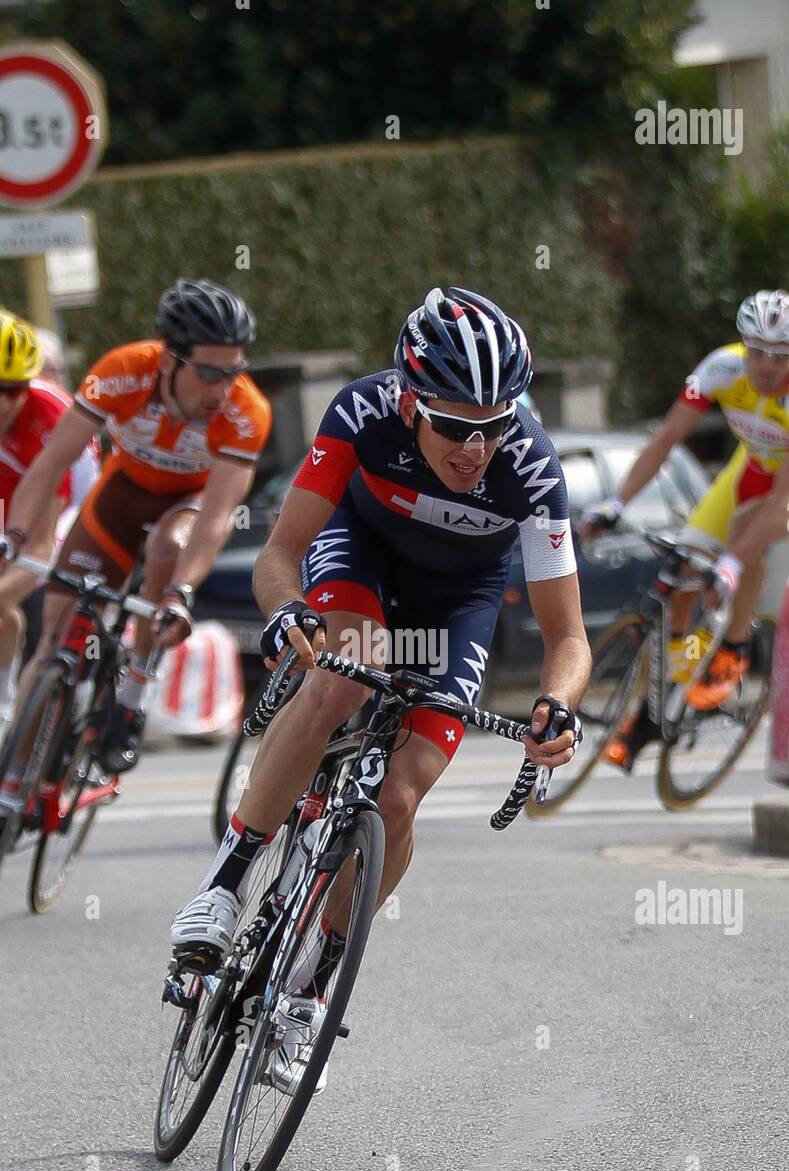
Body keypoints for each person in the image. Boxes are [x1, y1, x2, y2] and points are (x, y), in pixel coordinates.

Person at [168, 285, 591, 1096]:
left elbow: (567, 637)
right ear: (408, 403)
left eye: (495, 425)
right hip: (357, 557)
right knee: (339, 680)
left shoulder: (533, 470)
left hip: (455, 604)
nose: (477, 448)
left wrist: (558, 706)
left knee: (397, 798)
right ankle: (225, 885)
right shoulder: (360, 413)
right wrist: (286, 613)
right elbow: (279, 553)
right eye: (456, 427)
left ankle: (308, 991)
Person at [0, 278, 272, 782]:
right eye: (210, 373)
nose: (222, 389)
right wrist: (14, 536)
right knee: (57, 633)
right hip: (121, 492)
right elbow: (50, 463)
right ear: (168, 361)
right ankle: (13, 772)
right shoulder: (123, 372)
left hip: (185, 504)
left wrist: (180, 593)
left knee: (169, 547)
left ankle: (133, 694)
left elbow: (215, 518)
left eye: (234, 372)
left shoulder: (246, 413)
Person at [581, 289, 789, 769]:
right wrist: (615, 503)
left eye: (780, 357)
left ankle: (734, 648)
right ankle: (661, 705)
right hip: (751, 469)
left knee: (743, 534)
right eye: (757, 351)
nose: (766, 367)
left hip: (783, 489)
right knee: (683, 573)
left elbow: (778, 500)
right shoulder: (721, 369)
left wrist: (734, 562)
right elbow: (665, 441)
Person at [0, 312, 98, 739]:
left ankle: (10, 717)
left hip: (69, 509)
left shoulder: (48, 416)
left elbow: (39, 547)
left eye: (14, 389)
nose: (5, 404)